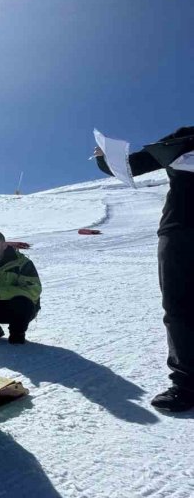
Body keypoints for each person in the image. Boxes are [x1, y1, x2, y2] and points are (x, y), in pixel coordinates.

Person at [94, 126, 194, 412]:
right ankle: (187, 386)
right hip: (181, 230)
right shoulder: (186, 137)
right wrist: (105, 158)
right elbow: (133, 165)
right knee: (180, 308)